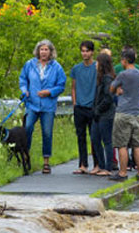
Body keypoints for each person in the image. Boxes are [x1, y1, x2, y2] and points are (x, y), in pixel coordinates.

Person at [18, 38, 66, 173]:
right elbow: (23, 80)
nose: (44, 52)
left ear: (51, 52)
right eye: (41, 49)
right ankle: (25, 158)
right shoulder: (29, 64)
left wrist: (49, 92)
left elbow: (61, 85)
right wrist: (24, 91)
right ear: (38, 51)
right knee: (27, 129)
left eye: (46, 49)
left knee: (47, 132)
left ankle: (46, 162)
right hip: (32, 104)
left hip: (48, 105)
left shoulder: (57, 67)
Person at [108, 47, 139, 181]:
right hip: (136, 112)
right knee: (136, 144)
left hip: (123, 112)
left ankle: (123, 173)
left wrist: (117, 90)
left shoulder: (123, 74)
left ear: (125, 60)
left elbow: (111, 88)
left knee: (121, 145)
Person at [69, 39, 100, 174]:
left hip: (93, 107)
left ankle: (97, 164)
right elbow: (73, 87)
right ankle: (83, 164)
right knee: (81, 137)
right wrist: (75, 103)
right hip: (80, 107)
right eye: (82, 51)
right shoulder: (76, 68)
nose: (84, 54)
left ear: (92, 52)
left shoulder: (97, 67)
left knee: (94, 137)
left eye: (87, 51)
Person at [91, 52, 117, 176]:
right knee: (95, 138)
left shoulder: (107, 78)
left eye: (97, 62)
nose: (96, 64)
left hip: (106, 114)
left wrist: (98, 109)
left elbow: (108, 97)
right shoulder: (100, 78)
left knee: (107, 140)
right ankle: (101, 165)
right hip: (98, 114)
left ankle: (108, 167)